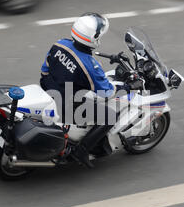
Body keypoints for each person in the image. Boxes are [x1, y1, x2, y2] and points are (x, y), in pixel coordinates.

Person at [39, 12, 127, 168]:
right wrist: (125, 87)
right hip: (70, 103)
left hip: (48, 88)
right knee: (110, 116)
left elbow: (45, 69)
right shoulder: (89, 65)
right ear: (93, 38)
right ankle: (82, 150)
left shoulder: (60, 43)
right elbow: (106, 92)